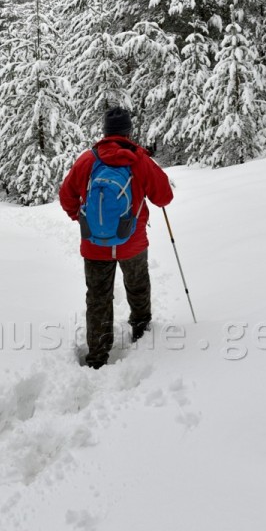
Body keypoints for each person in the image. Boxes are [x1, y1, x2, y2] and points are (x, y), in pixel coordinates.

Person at [59, 106, 173, 369]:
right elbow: (164, 197)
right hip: (132, 242)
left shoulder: (87, 160)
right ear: (128, 132)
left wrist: (83, 219)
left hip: (94, 244)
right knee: (137, 286)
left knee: (98, 298)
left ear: (105, 132)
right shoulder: (140, 161)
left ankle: (98, 356)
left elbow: (66, 196)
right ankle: (141, 332)